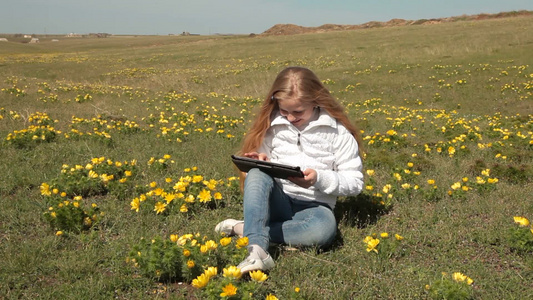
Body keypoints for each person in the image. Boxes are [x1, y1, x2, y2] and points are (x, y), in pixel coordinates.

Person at [215, 66, 364, 274]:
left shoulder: (337, 132)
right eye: (284, 111)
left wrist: (318, 179)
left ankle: (247, 228)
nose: (290, 118)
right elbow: (256, 181)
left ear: (316, 100)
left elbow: (355, 182)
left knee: (322, 231)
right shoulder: (272, 126)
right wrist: (260, 162)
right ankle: (257, 253)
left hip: (316, 208)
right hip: (278, 200)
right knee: (258, 172)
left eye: (298, 112)